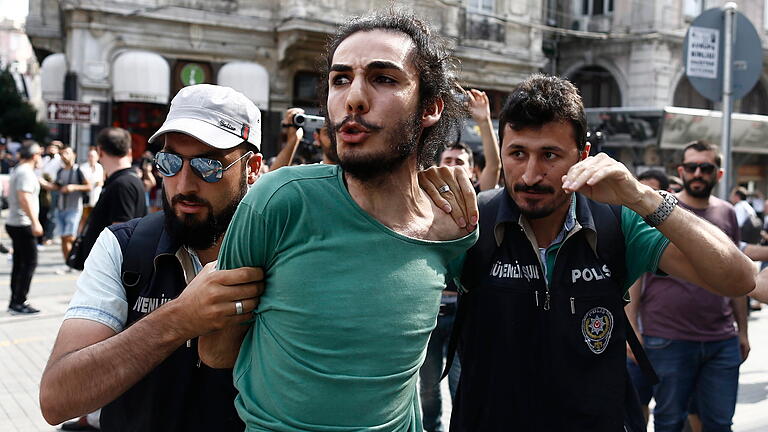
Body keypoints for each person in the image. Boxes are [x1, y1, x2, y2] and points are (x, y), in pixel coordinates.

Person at [199, 11, 478, 431]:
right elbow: (218, 351)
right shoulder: (278, 200)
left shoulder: (451, 226)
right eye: (340, 79)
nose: (353, 99)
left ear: (431, 107)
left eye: (384, 78)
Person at [426, 74, 754, 432]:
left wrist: (642, 197)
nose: (532, 175)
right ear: (500, 149)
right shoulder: (471, 221)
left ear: (583, 155)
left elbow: (739, 277)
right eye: (517, 153)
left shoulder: (617, 221)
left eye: (550, 155)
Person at [39, 85, 265, 432]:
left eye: (209, 165)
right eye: (170, 161)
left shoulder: (281, 256)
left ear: (251, 168)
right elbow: (57, 398)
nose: (184, 184)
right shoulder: (123, 247)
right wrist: (178, 320)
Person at [630, 141, 749, 432]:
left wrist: (742, 331)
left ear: (718, 174)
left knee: (720, 423)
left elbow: (736, 279)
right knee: (669, 421)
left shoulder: (727, 214)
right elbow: (635, 273)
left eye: (705, 168)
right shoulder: (659, 207)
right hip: (666, 338)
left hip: (721, 341)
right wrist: (632, 330)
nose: (698, 173)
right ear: (681, 171)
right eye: (691, 167)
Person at [419, 88, 501, 432]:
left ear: (472, 171)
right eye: (447, 160)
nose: (452, 167)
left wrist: (483, 122)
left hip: (464, 309)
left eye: (460, 162)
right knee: (425, 391)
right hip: (430, 309)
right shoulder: (425, 200)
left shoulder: (483, 201)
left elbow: (495, 165)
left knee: (462, 383)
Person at [5, 141, 44, 315]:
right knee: (29, 263)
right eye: (40, 154)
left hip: (16, 222)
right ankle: (20, 301)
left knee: (20, 263)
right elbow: (24, 198)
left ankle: (15, 301)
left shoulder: (20, 170)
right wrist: (35, 222)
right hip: (23, 223)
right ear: (35, 155)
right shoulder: (25, 172)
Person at [42, 146, 90, 267]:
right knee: (64, 238)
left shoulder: (79, 170)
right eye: (63, 154)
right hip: (60, 208)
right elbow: (57, 187)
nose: (64, 156)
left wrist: (74, 187)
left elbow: (88, 186)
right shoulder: (60, 171)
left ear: (74, 155)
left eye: (67, 153)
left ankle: (75, 260)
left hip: (73, 208)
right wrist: (45, 184)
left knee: (69, 237)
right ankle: (68, 263)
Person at [78, 147, 105, 234]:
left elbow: (101, 181)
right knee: (84, 218)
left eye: (93, 156)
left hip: (96, 196)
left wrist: (98, 183)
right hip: (86, 197)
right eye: (89, 156)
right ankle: (80, 235)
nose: (91, 158)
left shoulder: (100, 167)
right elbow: (84, 182)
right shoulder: (83, 168)